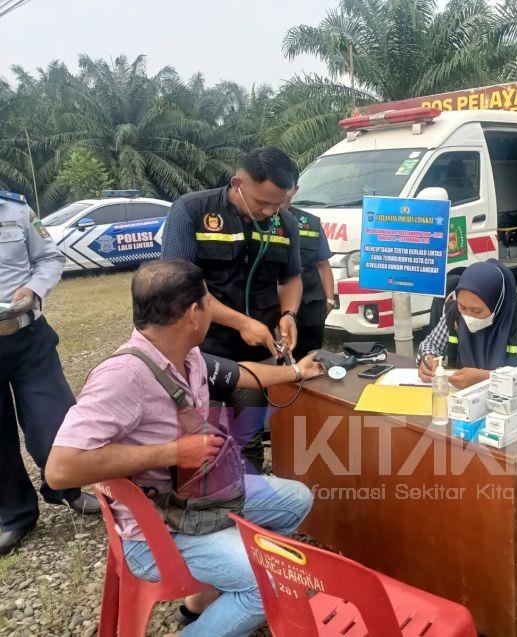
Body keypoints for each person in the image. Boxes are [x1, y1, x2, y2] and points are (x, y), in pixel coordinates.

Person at [45, 260, 323, 635]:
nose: (212, 310)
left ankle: (204, 599)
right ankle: (242, 591)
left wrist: (296, 372)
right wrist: (173, 453)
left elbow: (240, 373)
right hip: (158, 531)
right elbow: (60, 469)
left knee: (296, 499)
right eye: (208, 301)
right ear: (194, 313)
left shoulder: (184, 353)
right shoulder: (124, 376)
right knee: (270, 582)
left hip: (199, 499)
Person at [162, 147, 304, 473]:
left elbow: (292, 278)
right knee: (205, 429)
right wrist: (240, 322)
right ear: (237, 183)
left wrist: (288, 314)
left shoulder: (287, 225)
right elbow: (181, 284)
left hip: (255, 351)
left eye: (280, 203)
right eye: (263, 202)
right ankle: (203, 496)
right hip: (202, 347)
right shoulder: (192, 211)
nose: (271, 211)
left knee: (248, 430)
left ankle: (246, 491)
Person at [0, 190, 99, 556]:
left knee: (55, 422)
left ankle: (67, 489)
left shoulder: (15, 208)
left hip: (28, 337)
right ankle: (15, 515)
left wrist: (33, 288)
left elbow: (50, 258)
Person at [417, 260, 517, 389]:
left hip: (511, 403)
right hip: (461, 400)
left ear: (497, 305)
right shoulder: (454, 312)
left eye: (477, 310)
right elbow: (430, 343)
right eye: (463, 307)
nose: (468, 315)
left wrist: (489, 377)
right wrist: (428, 358)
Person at [291, 208, 334, 360]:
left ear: (294, 190)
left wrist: (329, 300)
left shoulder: (310, 222)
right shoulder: (259, 218)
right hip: (273, 306)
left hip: (311, 305)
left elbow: (323, 264)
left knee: (312, 359)